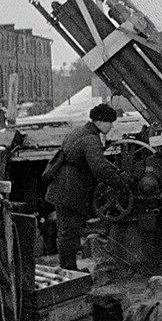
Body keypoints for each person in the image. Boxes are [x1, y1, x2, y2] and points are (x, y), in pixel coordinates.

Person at [45, 104, 126, 271]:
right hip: (70, 190)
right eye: (110, 122)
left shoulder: (79, 132)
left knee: (66, 231)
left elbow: (100, 163)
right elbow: (99, 168)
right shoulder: (91, 139)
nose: (111, 127)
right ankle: (69, 271)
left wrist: (116, 172)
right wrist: (120, 184)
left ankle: (69, 268)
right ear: (100, 121)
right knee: (69, 232)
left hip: (63, 187)